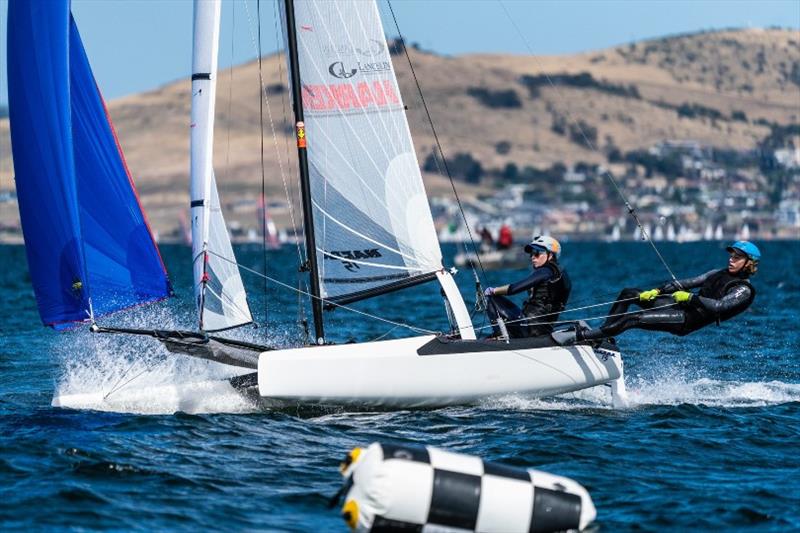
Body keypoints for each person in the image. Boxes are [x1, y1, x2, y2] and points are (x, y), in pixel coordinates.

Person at [552, 241, 760, 345]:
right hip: (679, 306)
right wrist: (655, 291)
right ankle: (603, 335)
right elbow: (684, 283)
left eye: (737, 257)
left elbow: (719, 306)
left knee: (632, 319)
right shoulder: (718, 272)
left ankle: (582, 337)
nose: (731, 259)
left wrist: (691, 297)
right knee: (630, 293)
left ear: (748, 263)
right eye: (731, 255)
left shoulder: (743, 289)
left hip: (687, 320)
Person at [484, 236, 571, 338]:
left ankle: (500, 339)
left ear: (550, 255)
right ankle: (501, 336)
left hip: (531, 328)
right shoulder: (559, 272)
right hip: (542, 328)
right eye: (532, 253)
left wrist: (494, 290)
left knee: (493, 300)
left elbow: (514, 288)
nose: (533, 257)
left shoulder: (546, 271)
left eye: (537, 253)